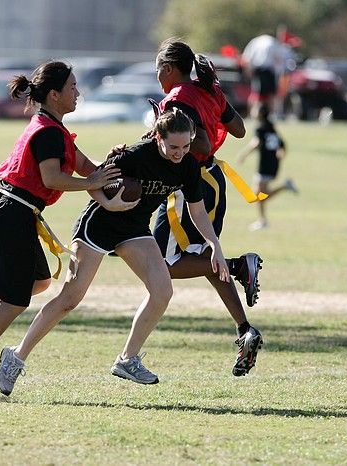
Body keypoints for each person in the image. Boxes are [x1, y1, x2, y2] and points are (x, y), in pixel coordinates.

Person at [0, 108, 230, 396]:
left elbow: (197, 211)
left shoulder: (188, 165)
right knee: (70, 298)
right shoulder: (134, 155)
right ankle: (15, 357)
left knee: (162, 290)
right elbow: (96, 179)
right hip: (99, 224)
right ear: (158, 138)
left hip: (133, 228)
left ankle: (127, 359)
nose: (180, 152)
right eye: (173, 146)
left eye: (186, 146)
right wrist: (108, 203)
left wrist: (214, 245)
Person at [0, 61, 124, 399]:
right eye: (72, 87)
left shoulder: (53, 128)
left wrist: (118, 168)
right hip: (11, 213)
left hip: (17, 213)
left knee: (39, 282)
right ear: (55, 94)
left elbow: (91, 169)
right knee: (15, 300)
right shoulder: (46, 132)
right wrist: (92, 182)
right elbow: (52, 179)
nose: (78, 93)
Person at [151, 39, 263, 376]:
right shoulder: (206, 90)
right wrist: (215, 97)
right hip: (213, 179)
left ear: (168, 69)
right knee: (202, 257)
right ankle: (245, 329)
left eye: (158, 70)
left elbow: (197, 142)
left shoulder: (178, 97)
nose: (157, 77)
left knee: (161, 263)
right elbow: (240, 130)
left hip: (190, 184)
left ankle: (239, 266)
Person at [237, 104, 298, 231]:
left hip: (264, 165)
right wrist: (280, 156)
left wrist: (244, 155)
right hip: (273, 164)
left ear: (260, 113)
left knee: (258, 196)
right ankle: (263, 219)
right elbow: (283, 145)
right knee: (259, 195)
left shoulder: (260, 129)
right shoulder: (272, 128)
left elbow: (256, 143)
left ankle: (263, 221)